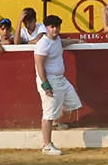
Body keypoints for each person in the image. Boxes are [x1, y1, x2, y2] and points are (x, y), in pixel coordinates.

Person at [32, 14, 77, 157]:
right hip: (49, 80)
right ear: (46, 28)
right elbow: (39, 65)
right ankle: (46, 145)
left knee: (71, 101)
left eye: (57, 26)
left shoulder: (56, 39)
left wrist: (75, 40)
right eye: (52, 27)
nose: (55, 29)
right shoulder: (42, 43)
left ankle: (58, 122)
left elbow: (61, 43)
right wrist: (46, 85)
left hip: (60, 79)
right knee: (48, 114)